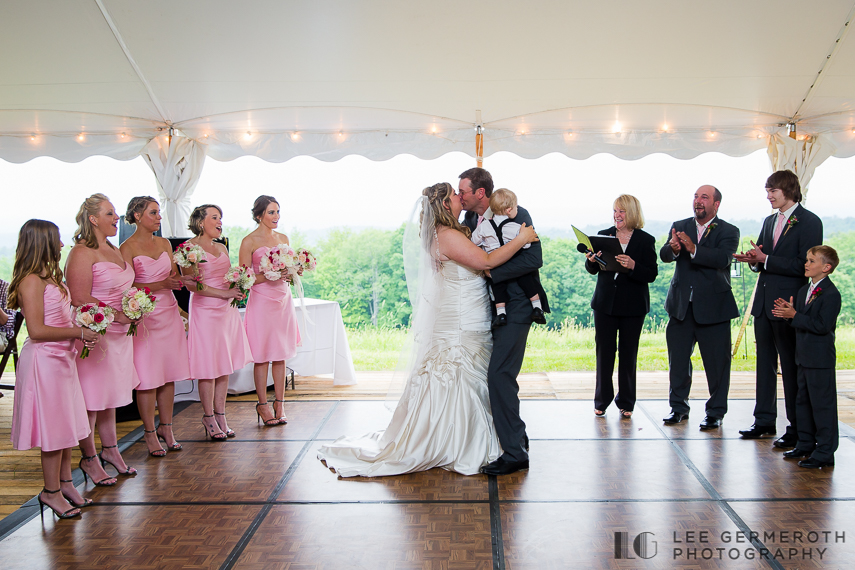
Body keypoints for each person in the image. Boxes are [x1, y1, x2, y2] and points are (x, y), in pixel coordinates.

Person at [317, 182, 538, 477]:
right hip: (461, 317)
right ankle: (460, 441)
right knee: (464, 374)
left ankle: (500, 438)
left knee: (485, 376)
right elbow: (486, 262)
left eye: (462, 192)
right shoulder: (446, 236)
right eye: (454, 195)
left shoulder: (455, 229)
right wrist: (522, 237)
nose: (460, 197)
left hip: (472, 311)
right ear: (445, 205)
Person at [459, 167, 548, 475]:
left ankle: (514, 453)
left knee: (499, 375)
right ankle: (517, 434)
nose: (460, 197)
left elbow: (533, 259)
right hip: (490, 308)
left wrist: (492, 270)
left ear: (480, 193)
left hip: (520, 305)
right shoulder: (468, 221)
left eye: (464, 192)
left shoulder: (516, 211)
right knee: (502, 375)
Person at [9, 220, 99, 519]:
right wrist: (78, 332)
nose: (62, 245)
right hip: (44, 361)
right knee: (53, 430)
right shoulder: (31, 280)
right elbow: (35, 330)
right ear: (43, 243)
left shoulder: (51, 277)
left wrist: (83, 325)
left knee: (65, 428)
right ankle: (49, 492)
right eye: (57, 240)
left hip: (62, 359)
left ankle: (63, 484)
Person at [734, 170, 823, 448]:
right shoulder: (769, 220)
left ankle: (797, 428)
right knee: (764, 364)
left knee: (790, 366)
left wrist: (767, 259)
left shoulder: (809, 222)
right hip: (763, 303)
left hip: (788, 304)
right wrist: (753, 260)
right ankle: (763, 421)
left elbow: (803, 266)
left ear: (789, 190)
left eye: (773, 191)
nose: (768, 196)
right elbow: (763, 258)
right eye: (767, 190)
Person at [66, 194, 139, 484]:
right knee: (92, 398)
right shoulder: (82, 252)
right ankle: (89, 458)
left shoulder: (113, 248)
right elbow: (79, 296)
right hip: (96, 331)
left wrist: (134, 306)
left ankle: (111, 450)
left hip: (120, 334)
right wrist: (117, 315)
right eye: (110, 214)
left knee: (109, 398)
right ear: (93, 219)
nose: (116, 219)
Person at [660, 185, 740, 430]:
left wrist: (693, 249)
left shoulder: (729, 230)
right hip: (681, 307)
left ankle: (715, 412)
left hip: (714, 309)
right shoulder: (680, 225)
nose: (698, 201)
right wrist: (673, 249)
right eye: (695, 196)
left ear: (716, 204)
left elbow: (723, 259)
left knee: (717, 365)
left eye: (704, 197)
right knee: (678, 362)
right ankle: (678, 408)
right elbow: (663, 255)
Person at [120, 196, 191, 456]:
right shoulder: (126, 248)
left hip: (169, 313)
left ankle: (167, 427)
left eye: (159, 212)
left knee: (168, 374)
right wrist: (161, 286)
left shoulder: (164, 243)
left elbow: (173, 275)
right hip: (145, 316)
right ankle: (149, 433)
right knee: (148, 378)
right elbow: (126, 287)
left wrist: (184, 278)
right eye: (153, 213)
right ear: (137, 216)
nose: (159, 217)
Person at [584, 194, 658, 418]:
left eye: (622, 211)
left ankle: (626, 402)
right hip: (605, 304)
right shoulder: (604, 236)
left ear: (632, 213)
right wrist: (590, 261)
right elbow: (593, 270)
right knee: (604, 352)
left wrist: (634, 265)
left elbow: (652, 274)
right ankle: (601, 400)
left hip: (633, 306)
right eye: (615, 211)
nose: (617, 215)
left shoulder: (646, 240)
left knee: (628, 354)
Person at [184, 204, 253, 441]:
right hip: (205, 311)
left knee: (223, 363)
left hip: (226, 310)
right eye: (215, 217)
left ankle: (221, 414)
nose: (219, 221)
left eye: (220, 217)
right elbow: (191, 285)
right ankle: (208, 416)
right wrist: (223, 294)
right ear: (201, 222)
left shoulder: (222, 246)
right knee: (208, 365)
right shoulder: (188, 249)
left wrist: (237, 286)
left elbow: (228, 276)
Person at [772, 245, 841, 469]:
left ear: (826, 267)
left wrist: (795, 315)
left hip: (820, 359)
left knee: (823, 406)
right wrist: (789, 314)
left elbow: (822, 326)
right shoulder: (803, 291)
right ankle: (805, 443)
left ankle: (825, 451)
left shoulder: (831, 294)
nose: (806, 264)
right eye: (807, 260)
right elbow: (801, 320)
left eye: (812, 261)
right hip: (802, 356)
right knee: (803, 403)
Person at [239, 195, 301, 427]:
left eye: (278, 212)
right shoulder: (249, 241)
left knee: (280, 353)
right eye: (271, 212)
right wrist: (269, 275)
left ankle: (280, 403)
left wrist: (295, 270)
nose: (276, 216)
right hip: (262, 300)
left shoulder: (283, 238)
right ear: (259, 215)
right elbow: (245, 278)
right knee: (262, 354)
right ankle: (262, 404)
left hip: (282, 299)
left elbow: (289, 267)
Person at [470, 188, 546, 328]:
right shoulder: (515, 226)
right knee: (528, 282)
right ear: (509, 210)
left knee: (498, 288)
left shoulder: (484, 226)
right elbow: (527, 245)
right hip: (513, 263)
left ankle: (501, 314)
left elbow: (473, 242)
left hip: (496, 265)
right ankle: (537, 307)